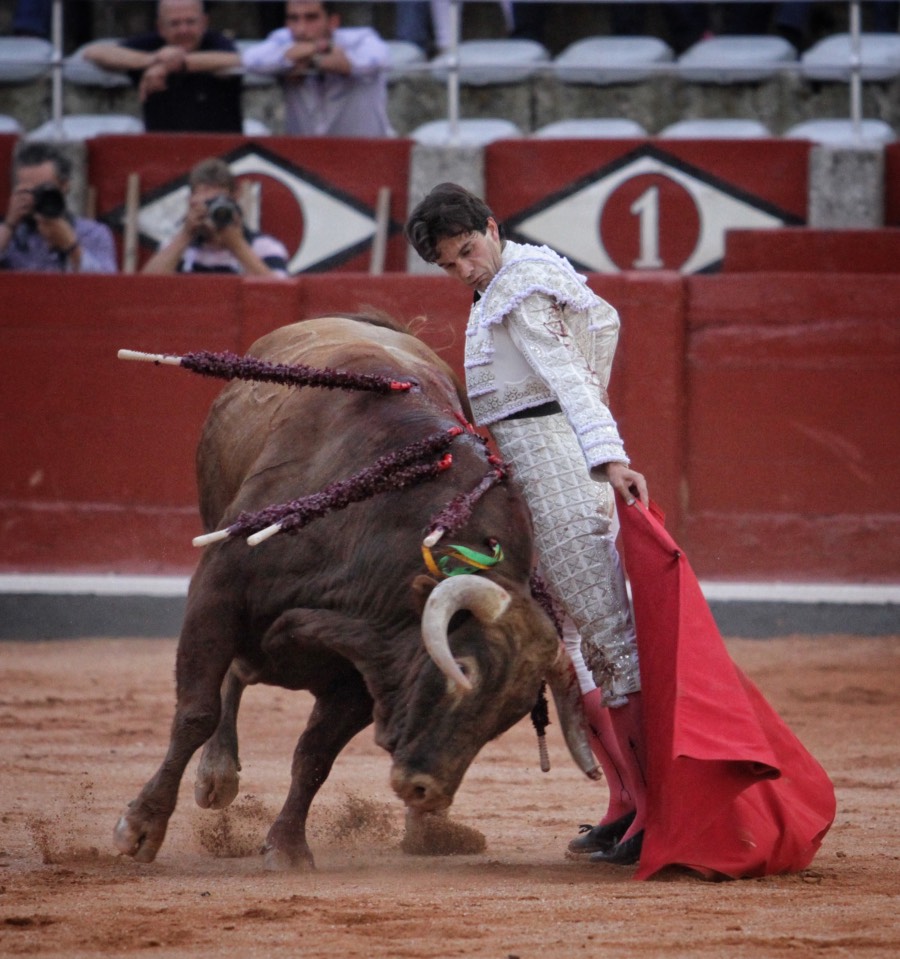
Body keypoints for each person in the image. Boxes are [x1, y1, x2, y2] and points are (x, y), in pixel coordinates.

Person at [405, 183, 650, 867]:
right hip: (532, 484)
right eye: (449, 264)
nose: (463, 269)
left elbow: (572, 379)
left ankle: (655, 811)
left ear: (491, 226)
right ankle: (625, 802)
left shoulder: (521, 286)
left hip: (565, 478)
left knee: (609, 639)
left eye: (467, 250)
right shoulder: (498, 292)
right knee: (573, 647)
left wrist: (608, 456)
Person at [83, 0, 242, 134]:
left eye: (190, 22)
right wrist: (152, 59)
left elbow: (237, 60)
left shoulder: (217, 43)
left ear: (204, 23)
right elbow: (94, 53)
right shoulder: (153, 45)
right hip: (161, 149)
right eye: (174, 23)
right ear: (160, 27)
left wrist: (171, 65)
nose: (183, 30)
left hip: (219, 149)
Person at [241, 0, 393, 137]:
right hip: (306, 154)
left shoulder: (361, 38)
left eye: (311, 18)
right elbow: (249, 60)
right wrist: (315, 49)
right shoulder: (284, 39)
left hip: (366, 152)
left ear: (333, 22)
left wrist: (312, 58)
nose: (301, 29)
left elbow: (375, 60)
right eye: (293, 18)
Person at [141, 157, 289, 277]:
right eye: (206, 205)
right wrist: (185, 235)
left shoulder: (264, 247)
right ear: (191, 202)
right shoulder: (176, 248)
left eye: (218, 204)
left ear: (235, 198)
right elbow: (145, 290)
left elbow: (281, 295)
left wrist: (237, 245)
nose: (212, 213)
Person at [0, 142, 117, 274]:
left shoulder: (93, 233)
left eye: (45, 190)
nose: (37, 198)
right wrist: (9, 225)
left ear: (64, 186)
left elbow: (106, 287)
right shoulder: (11, 237)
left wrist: (72, 248)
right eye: (29, 191)